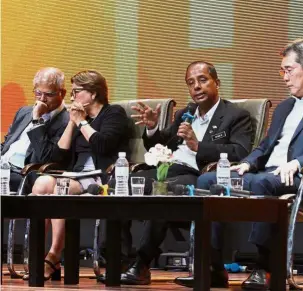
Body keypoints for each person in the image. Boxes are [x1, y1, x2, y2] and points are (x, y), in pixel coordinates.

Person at [195, 39, 303, 290]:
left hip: (301, 175)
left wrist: (297, 162)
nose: (284, 77)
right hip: (266, 172)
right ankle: (213, 266)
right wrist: (247, 164)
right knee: (209, 180)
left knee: (264, 184)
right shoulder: (285, 106)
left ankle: (266, 266)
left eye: (289, 70)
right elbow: (265, 146)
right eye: (282, 71)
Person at [117, 61, 253, 287]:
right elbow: (164, 145)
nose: (196, 87)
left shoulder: (235, 116)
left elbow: (240, 152)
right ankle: (118, 261)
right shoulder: (186, 113)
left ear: (217, 83)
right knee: (120, 185)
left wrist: (198, 146)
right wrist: (152, 128)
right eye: (191, 83)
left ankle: (141, 264)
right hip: (167, 169)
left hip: (197, 175)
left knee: (164, 192)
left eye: (202, 80)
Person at [31, 70, 130, 281]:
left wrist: (82, 122)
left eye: (76, 92)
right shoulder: (77, 117)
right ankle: (37, 255)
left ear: (93, 94)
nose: (72, 97)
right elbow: (59, 154)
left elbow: (103, 145)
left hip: (102, 177)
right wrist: (71, 122)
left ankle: (54, 255)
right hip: (77, 175)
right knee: (41, 183)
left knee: (62, 187)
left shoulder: (113, 113)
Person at [1, 67, 69, 194]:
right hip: (4, 166)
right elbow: (7, 144)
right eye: (38, 93)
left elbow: (46, 157)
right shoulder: (24, 112)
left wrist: (37, 119)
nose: (42, 99)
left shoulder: (67, 121)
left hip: (22, 172)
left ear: (62, 93)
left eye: (49, 94)